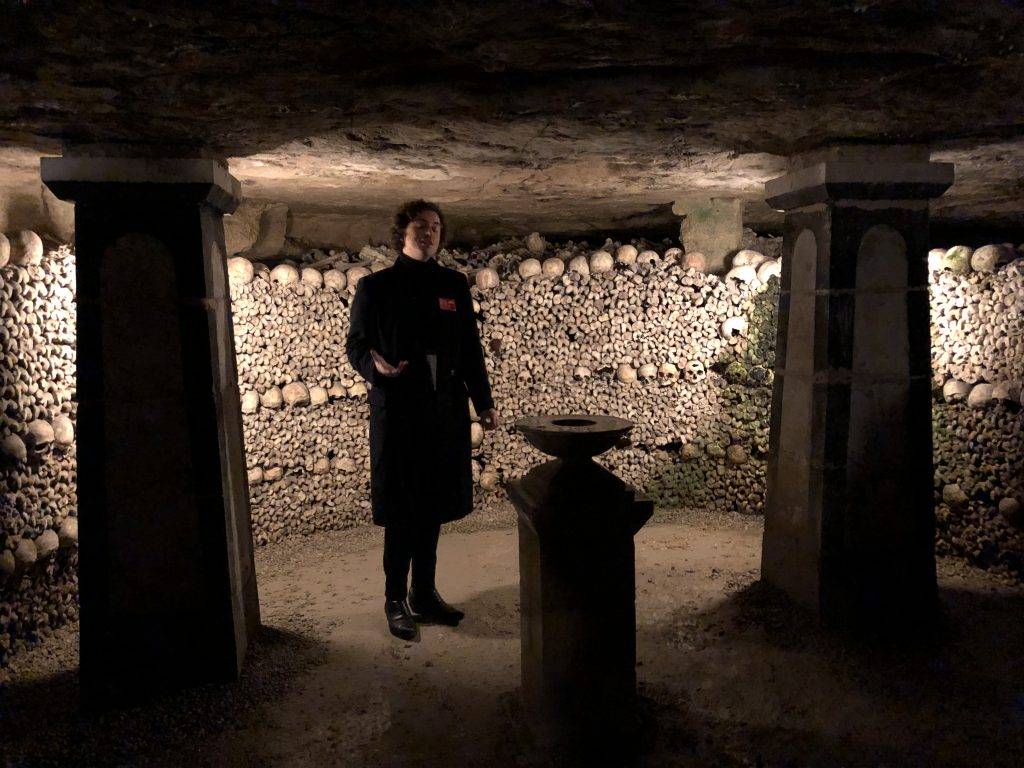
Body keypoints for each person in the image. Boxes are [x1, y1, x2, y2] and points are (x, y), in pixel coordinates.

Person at [345, 200, 499, 640]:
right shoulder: (375, 288)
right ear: (403, 231)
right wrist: (377, 370)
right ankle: (395, 598)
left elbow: (469, 348)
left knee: (431, 503)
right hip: (398, 411)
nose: (429, 232)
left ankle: (424, 594)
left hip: (443, 411)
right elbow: (355, 346)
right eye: (420, 225)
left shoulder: (453, 284)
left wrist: (483, 401)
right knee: (401, 507)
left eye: (435, 226)